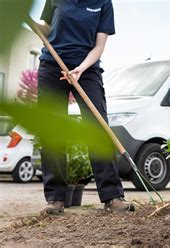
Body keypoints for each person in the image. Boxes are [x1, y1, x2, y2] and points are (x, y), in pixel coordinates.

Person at [36, 0, 134, 214]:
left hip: (86, 69)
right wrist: (34, 25)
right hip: (52, 64)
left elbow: (99, 46)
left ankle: (112, 196)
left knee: (98, 127)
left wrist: (80, 69)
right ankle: (55, 199)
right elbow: (47, 28)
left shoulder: (103, 3)